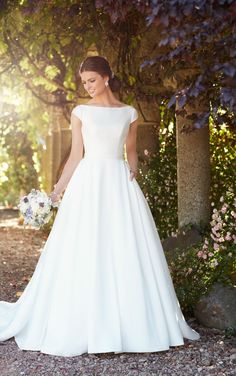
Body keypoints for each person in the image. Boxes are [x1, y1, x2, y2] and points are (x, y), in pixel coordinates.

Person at [0, 56, 200, 357]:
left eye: (92, 80)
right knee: (84, 245)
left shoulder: (129, 113)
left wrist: (133, 171)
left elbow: (130, 152)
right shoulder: (80, 112)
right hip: (88, 184)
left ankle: (130, 325)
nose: (88, 86)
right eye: (84, 82)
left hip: (120, 184)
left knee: (123, 246)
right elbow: (76, 156)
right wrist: (55, 194)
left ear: (107, 77)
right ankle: (83, 321)